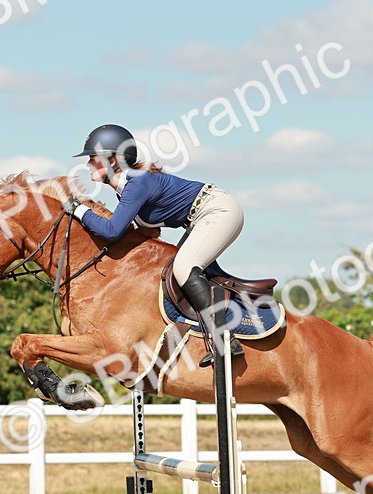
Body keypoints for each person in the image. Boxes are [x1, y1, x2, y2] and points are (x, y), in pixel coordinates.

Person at [65, 124, 244, 366]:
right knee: (173, 269)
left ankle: (224, 339)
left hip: (218, 210)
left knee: (184, 268)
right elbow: (149, 232)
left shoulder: (137, 183)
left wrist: (79, 210)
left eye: (93, 159)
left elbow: (112, 230)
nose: (88, 164)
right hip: (202, 217)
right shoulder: (128, 187)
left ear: (114, 162)